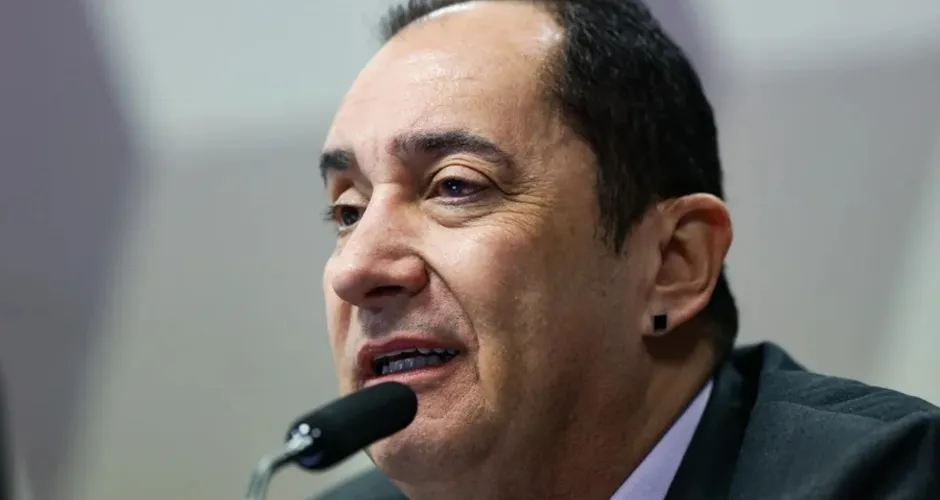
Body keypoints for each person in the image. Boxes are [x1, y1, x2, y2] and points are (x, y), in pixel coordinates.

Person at [314, 1, 940, 499]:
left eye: (455, 186)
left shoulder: (885, 479)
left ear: (673, 263)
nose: (355, 268)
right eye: (348, 211)